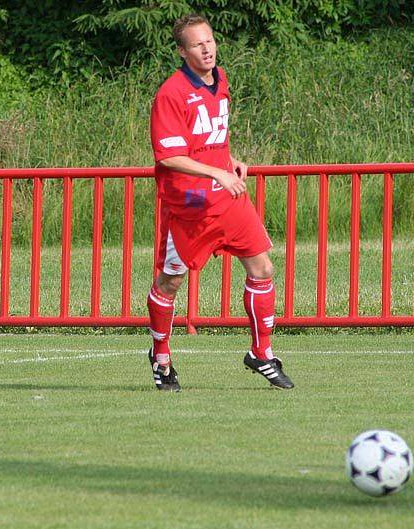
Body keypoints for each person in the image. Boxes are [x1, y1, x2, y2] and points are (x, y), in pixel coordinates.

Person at [146, 14, 294, 391]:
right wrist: (216, 173)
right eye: (197, 44)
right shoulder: (171, 93)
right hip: (189, 203)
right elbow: (168, 157)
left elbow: (211, 141)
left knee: (262, 268)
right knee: (171, 281)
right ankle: (161, 356)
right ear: (182, 51)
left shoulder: (221, 80)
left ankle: (261, 353)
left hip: (228, 197)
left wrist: (229, 163)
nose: (207, 48)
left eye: (209, 40)